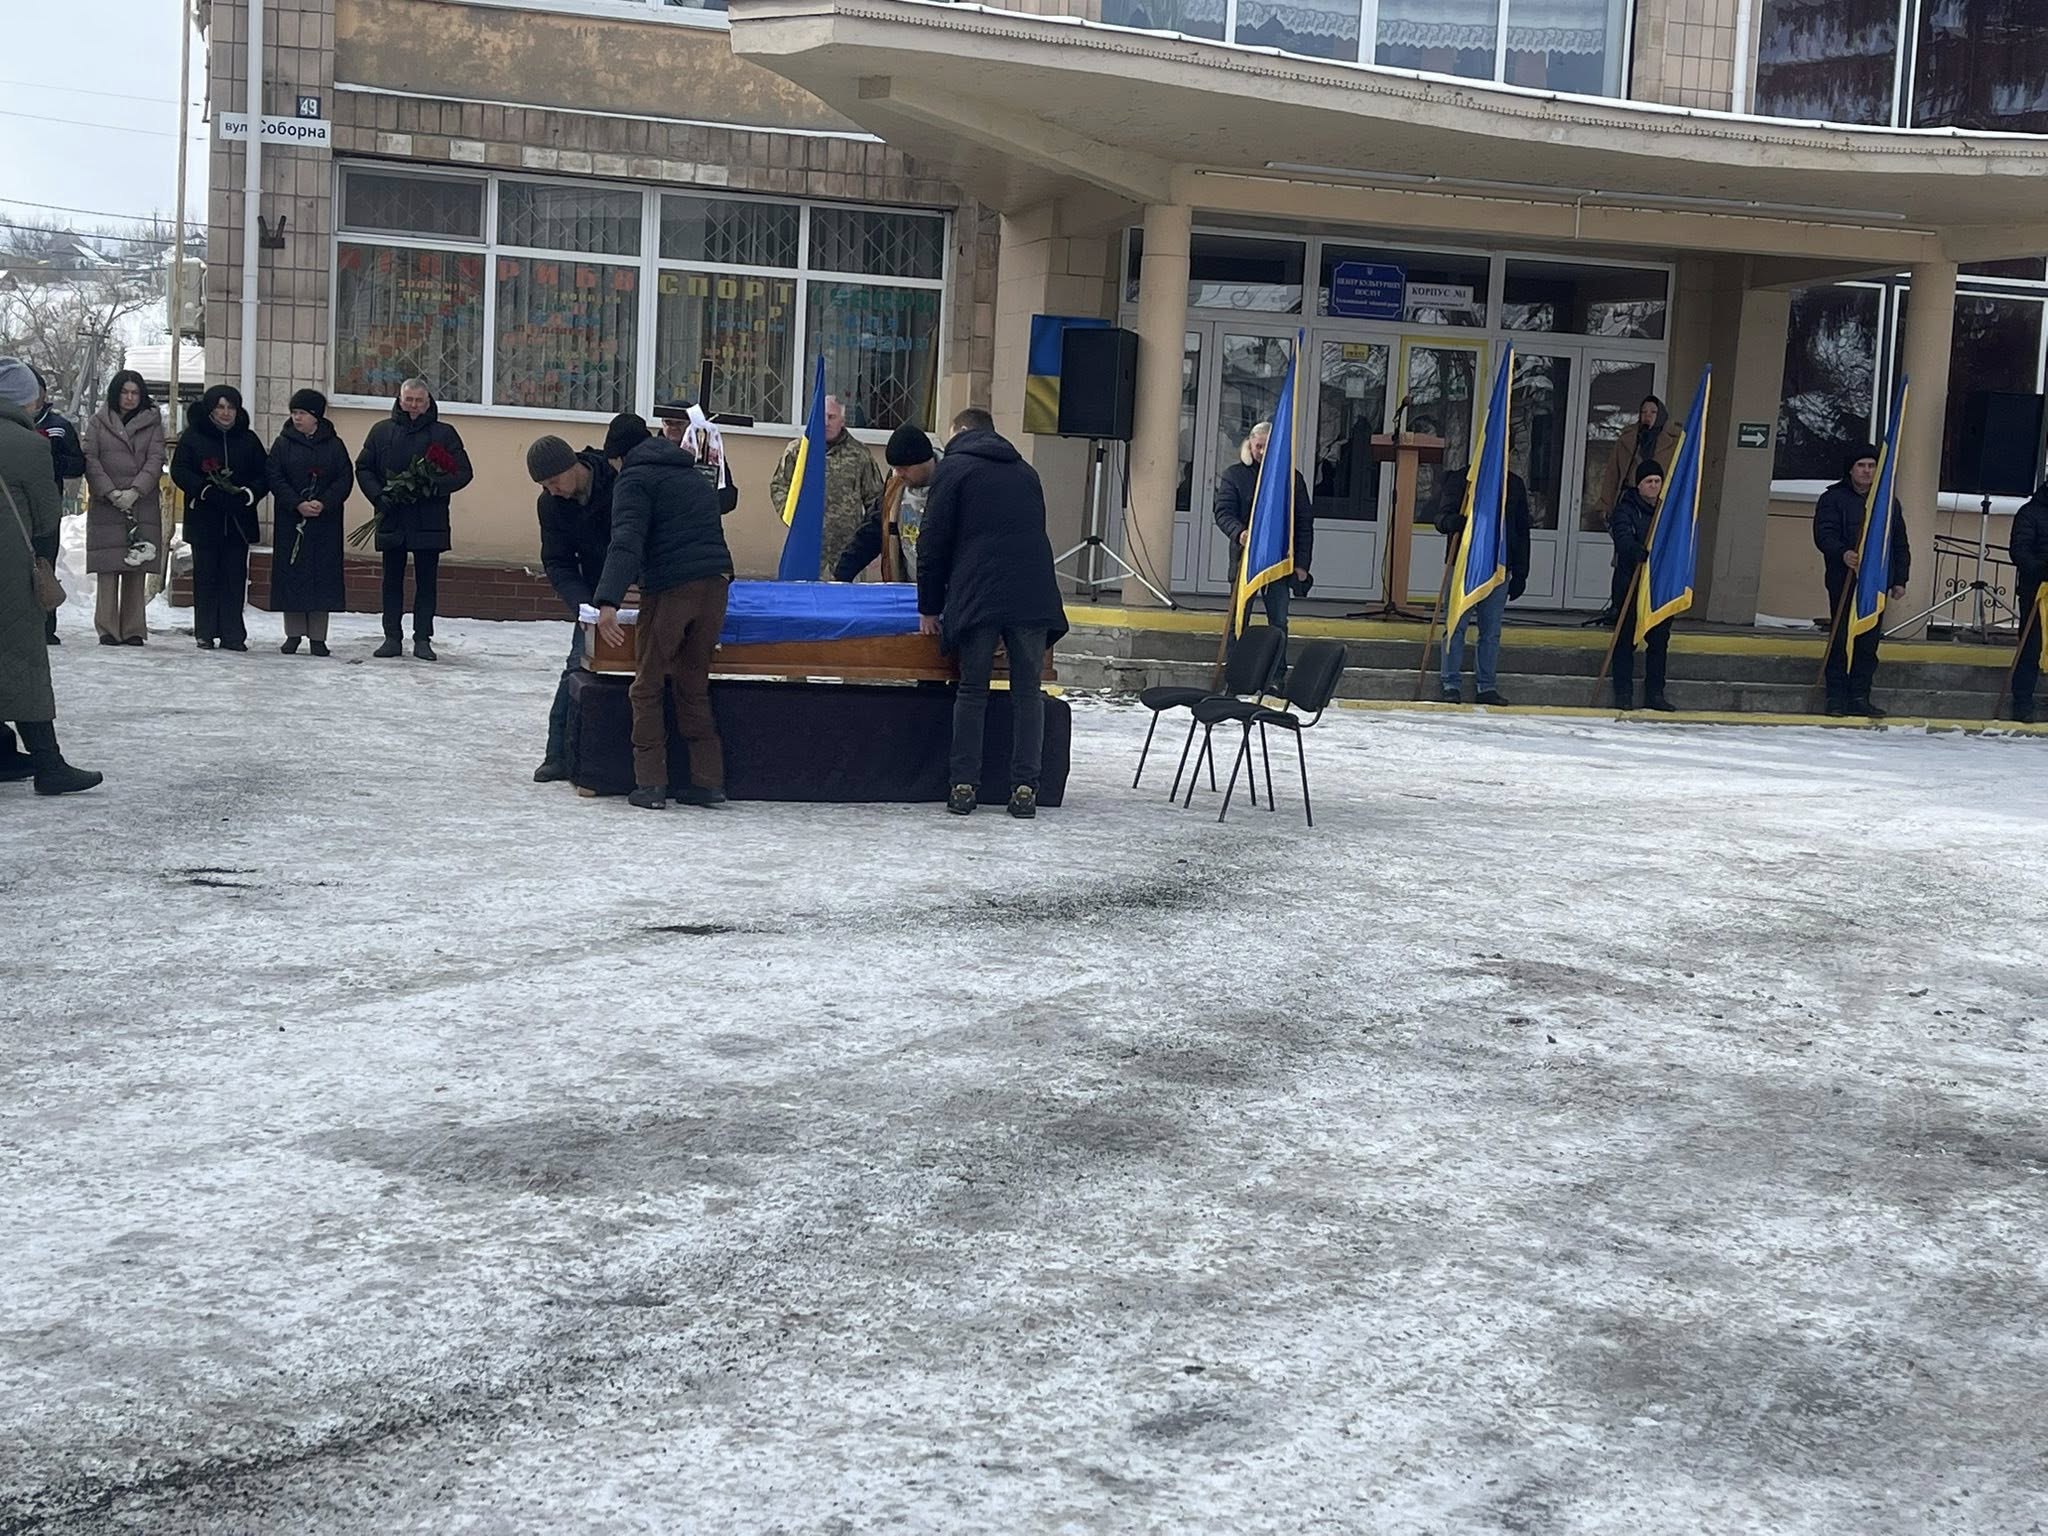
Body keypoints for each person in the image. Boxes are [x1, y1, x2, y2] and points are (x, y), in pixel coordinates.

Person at [917, 407, 1068, 820]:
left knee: (972, 690)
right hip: (1032, 595)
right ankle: (1025, 788)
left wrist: (929, 606)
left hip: (979, 593)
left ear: (961, 432)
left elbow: (932, 541)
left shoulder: (954, 469)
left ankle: (963, 785)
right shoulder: (1026, 472)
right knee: (1027, 692)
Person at [591, 431, 734, 812]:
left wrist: (607, 600)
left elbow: (626, 540)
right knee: (693, 682)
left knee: (648, 684)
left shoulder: (634, 478)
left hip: (671, 588)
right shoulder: (693, 474)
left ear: (618, 457)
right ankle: (707, 782)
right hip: (717, 584)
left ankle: (650, 783)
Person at [0, 356, 100, 794]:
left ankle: (4, 753)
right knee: (23, 661)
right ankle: (49, 764)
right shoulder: (31, 446)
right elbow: (45, 519)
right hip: (10, 572)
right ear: (24, 399)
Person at [355, 377, 473, 661]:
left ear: (428, 402)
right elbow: (364, 468)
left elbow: (463, 473)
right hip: (392, 516)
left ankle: (422, 639)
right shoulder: (381, 431)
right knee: (391, 581)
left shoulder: (444, 433)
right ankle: (391, 638)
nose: (414, 406)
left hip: (429, 519)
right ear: (400, 400)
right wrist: (378, 496)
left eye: (419, 401)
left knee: (426, 583)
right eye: (409, 400)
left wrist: (433, 485)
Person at [527, 433, 619, 782]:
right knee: (576, 667)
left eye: (554, 481)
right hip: (592, 598)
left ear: (573, 466)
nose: (552, 490)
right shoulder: (550, 505)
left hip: (636, 590)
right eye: (544, 485)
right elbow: (558, 562)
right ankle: (557, 754)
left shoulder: (617, 482)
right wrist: (582, 606)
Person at [1212, 421, 1314, 691]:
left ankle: (1276, 678)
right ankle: (1235, 678)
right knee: (1238, 620)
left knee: (1278, 622)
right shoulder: (1235, 475)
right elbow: (1223, 512)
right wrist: (1239, 533)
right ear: (1250, 444)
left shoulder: (1292, 479)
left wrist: (1302, 564)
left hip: (1279, 562)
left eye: (1268, 447)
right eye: (1259, 446)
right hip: (1245, 561)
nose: (1262, 452)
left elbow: (1304, 521)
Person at [1813, 443, 1911, 718]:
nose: (1867, 471)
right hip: (1844, 579)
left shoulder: (1887, 502)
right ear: (1851, 470)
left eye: (1871, 466)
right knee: (1841, 637)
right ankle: (1836, 697)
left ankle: (1859, 696)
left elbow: (1899, 543)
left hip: (1875, 583)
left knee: (1868, 642)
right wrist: (1842, 553)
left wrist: (1900, 579)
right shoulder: (1833, 499)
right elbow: (1824, 534)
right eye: (1861, 466)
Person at [169, 384, 267, 652]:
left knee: (234, 578)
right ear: (210, 410)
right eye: (220, 407)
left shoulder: (248, 439)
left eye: (231, 407)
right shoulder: (193, 437)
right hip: (205, 517)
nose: (226, 413)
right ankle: (205, 632)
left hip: (238, 519)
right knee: (206, 577)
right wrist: (204, 490)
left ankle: (233, 634)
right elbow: (180, 470)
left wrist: (248, 493)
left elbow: (264, 473)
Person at [1432, 465, 1533, 706]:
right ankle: (1450, 683)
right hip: (1464, 565)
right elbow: (1440, 518)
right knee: (1455, 626)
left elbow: (1521, 530)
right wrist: (1451, 522)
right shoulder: (1463, 478)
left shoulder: (1513, 483)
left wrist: (1521, 571)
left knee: (1490, 631)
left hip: (1499, 566)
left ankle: (1486, 686)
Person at [266, 389, 354, 657]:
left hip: (324, 522)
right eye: (294, 413)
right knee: (292, 575)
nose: (297, 418)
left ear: (316, 416)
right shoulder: (283, 444)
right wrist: (297, 503)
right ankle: (293, 634)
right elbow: (275, 476)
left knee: (321, 577)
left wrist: (324, 502)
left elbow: (344, 478)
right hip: (291, 520)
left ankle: (318, 637)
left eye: (302, 413)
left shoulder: (334, 445)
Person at [81, 369, 166, 647]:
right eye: (125, 392)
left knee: (136, 565)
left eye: (135, 393)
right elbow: (90, 459)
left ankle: (133, 629)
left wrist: (135, 490)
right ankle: (107, 628)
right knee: (108, 566)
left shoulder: (153, 423)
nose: (129, 398)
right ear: (116, 393)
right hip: (107, 503)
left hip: (140, 502)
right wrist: (111, 491)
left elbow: (156, 459)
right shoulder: (98, 422)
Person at [771, 393, 886, 579]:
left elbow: (876, 499)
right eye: (822, 417)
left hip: (847, 547)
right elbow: (779, 486)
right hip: (807, 543)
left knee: (845, 594)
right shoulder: (799, 451)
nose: (825, 423)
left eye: (831, 417)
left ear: (842, 420)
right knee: (802, 591)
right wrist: (791, 516)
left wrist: (872, 543)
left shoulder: (859, 454)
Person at [1606, 461, 1675, 712]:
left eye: (1657, 481)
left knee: (1659, 641)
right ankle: (1623, 693)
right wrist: (1637, 551)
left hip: (1658, 587)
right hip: (1631, 583)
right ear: (1639, 485)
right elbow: (1622, 537)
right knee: (1626, 640)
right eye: (1649, 481)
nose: (1654, 486)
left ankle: (1655, 694)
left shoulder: (1668, 511)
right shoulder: (1626, 509)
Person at [832, 425, 939, 582]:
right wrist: (841, 574)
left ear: (925, 461)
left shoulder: (952, 484)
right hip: (906, 587)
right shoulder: (894, 488)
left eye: (904, 468)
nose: (899, 474)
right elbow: (871, 533)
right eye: (895, 468)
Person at [29, 367, 84, 646]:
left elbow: (77, 464)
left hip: (46, 507)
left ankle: (46, 626)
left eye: (35, 390)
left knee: (44, 564)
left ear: (43, 393)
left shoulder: (58, 425)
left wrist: (50, 461)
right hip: (11, 507)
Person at [1598, 395, 1681, 530]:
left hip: (1658, 503)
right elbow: (1612, 474)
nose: (1647, 415)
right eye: (1644, 412)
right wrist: (1606, 504)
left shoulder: (1674, 442)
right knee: (1626, 536)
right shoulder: (1628, 439)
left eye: (1653, 412)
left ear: (1660, 415)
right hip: (1630, 498)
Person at [2008, 478, 2047, 724]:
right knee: (2031, 647)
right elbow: (2019, 550)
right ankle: (2022, 702)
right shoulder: (2030, 513)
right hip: (2037, 591)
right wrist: (2041, 568)